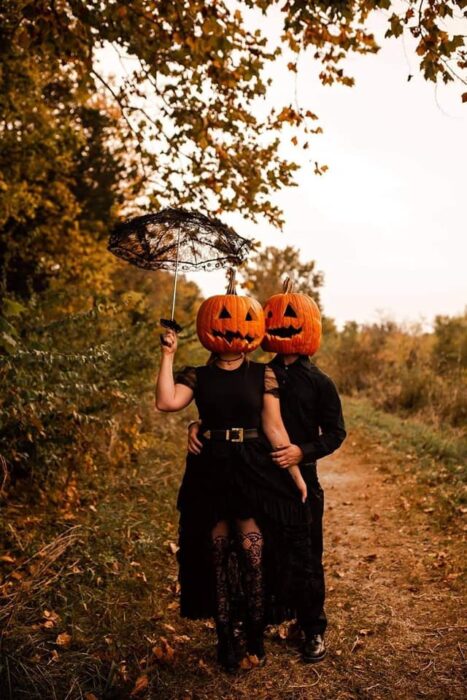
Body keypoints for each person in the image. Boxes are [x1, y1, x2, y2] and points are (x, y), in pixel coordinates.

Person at [188, 281, 346, 664]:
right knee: (260, 553)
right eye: (271, 317)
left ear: (308, 324)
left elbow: (337, 433)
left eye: (288, 317)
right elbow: (228, 407)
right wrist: (199, 426)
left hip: (299, 477)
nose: (279, 324)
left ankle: (312, 629)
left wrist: (301, 452)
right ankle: (259, 621)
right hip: (257, 475)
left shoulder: (320, 382)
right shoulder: (259, 373)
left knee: (306, 555)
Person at [156, 327, 309, 672]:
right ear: (208, 331)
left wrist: (295, 472)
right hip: (210, 467)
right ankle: (225, 636)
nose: (232, 327)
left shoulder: (261, 372)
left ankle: (254, 631)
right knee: (218, 556)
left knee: (253, 553)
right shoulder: (199, 374)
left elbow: (274, 426)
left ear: (251, 331)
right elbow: (166, 402)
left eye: (241, 321)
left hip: (252, 466)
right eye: (223, 320)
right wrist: (168, 355)